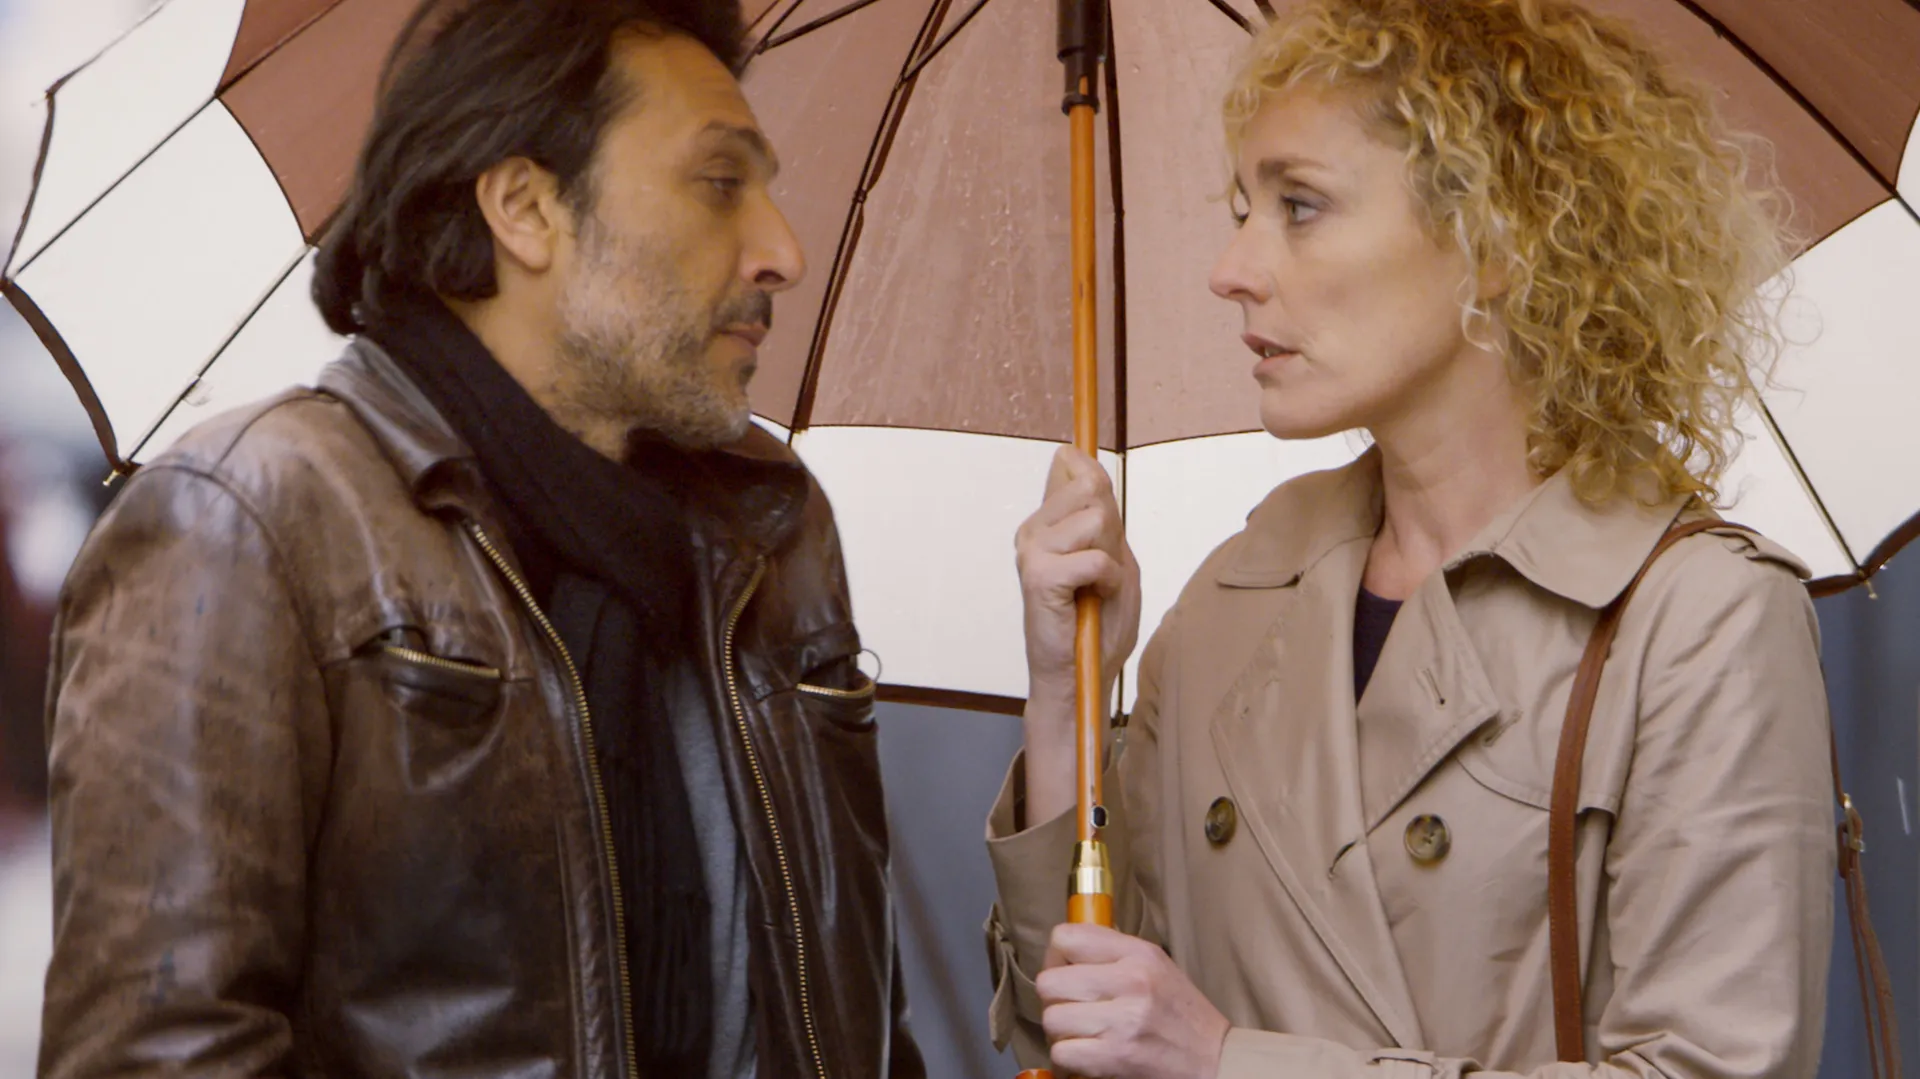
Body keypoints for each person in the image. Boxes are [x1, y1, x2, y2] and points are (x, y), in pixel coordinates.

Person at [38, 2, 924, 1077]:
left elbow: (860, 1019)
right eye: (719, 181)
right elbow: (160, 1052)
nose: (782, 250)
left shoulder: (769, 530)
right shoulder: (259, 514)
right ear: (526, 208)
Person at [988, 1, 1833, 1077]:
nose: (1230, 268)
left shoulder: (1696, 618)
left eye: (1299, 206)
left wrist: (1230, 1062)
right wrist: (1065, 697)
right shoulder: (1232, 603)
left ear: (1498, 238)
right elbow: (1074, 1031)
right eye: (1243, 208)